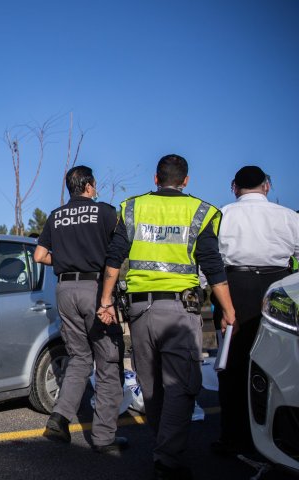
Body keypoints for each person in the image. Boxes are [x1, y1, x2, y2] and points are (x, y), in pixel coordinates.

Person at [97, 154, 236, 480]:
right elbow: (213, 268)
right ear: (185, 180)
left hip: (139, 312)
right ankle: (168, 458)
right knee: (182, 386)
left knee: (152, 385)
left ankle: (164, 448)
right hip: (180, 312)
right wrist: (228, 311)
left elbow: (114, 259)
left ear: (156, 179)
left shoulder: (132, 208)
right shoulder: (200, 212)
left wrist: (105, 302)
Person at [33, 165, 127, 453]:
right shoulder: (105, 212)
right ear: (89, 186)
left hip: (64, 290)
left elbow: (39, 255)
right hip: (96, 290)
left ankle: (59, 418)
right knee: (108, 362)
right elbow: (120, 248)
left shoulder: (56, 215)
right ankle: (104, 438)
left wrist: (62, 262)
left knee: (79, 359)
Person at [213, 166, 299, 456]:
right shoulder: (288, 216)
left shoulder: (221, 215)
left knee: (232, 365)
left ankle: (231, 436)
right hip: (279, 289)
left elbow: (208, 260)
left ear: (234, 187)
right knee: (279, 363)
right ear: (267, 186)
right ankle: (278, 436)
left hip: (232, 287)